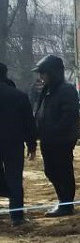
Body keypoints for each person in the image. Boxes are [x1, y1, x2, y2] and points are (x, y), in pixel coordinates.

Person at [32, 55, 80, 216]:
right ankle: (63, 200)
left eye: (43, 73)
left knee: (63, 170)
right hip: (47, 139)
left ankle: (66, 204)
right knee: (50, 171)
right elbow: (40, 111)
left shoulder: (66, 90)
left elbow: (69, 116)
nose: (41, 77)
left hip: (61, 140)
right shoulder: (48, 90)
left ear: (53, 73)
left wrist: (54, 131)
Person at [0, 63, 36, 227]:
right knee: (15, 178)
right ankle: (17, 216)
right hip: (13, 143)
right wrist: (31, 144)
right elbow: (29, 123)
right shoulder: (19, 96)